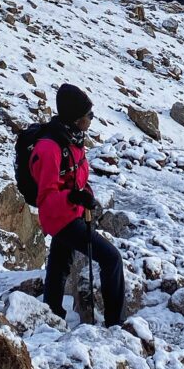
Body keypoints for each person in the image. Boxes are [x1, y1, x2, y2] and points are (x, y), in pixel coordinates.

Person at [31, 83, 126, 326]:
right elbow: (46, 197)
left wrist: (85, 194)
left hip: (72, 212)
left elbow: (76, 178)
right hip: (60, 217)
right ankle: (116, 324)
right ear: (75, 118)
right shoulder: (50, 148)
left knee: (60, 264)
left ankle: (50, 315)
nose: (91, 120)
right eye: (88, 115)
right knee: (111, 258)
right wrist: (74, 198)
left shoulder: (72, 140)